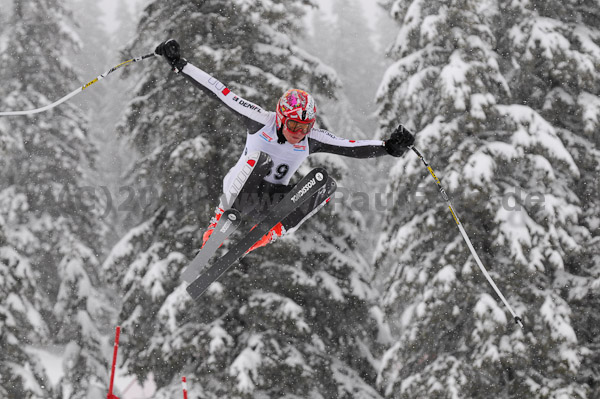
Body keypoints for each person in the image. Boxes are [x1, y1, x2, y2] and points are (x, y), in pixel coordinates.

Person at [155, 39, 415, 253]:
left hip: (270, 202)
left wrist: (389, 146)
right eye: (293, 127)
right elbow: (220, 92)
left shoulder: (311, 138)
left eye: (304, 129)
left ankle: (270, 232)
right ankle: (219, 221)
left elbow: (351, 146)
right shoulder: (260, 120)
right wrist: (180, 64)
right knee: (260, 160)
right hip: (240, 190)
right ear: (280, 118)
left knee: (323, 183)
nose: (298, 134)